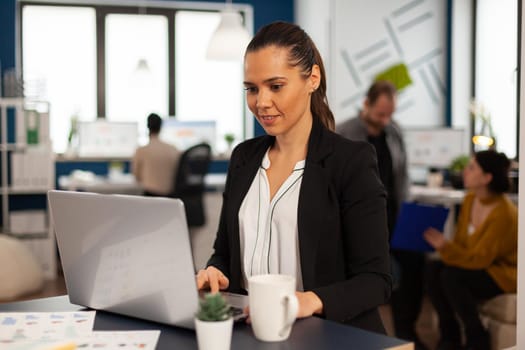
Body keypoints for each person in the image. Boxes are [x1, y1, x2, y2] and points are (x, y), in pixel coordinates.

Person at [195, 21, 391, 333]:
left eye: (275, 86)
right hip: (254, 331)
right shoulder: (244, 159)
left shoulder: (350, 161)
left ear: (312, 78)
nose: (261, 102)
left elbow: (376, 280)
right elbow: (224, 252)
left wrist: (309, 300)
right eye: (252, 89)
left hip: (329, 334)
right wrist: (214, 271)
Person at [336, 82, 426, 347]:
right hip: (363, 221)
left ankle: (407, 332)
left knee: (415, 265)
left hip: (394, 216)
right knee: (384, 275)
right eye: (380, 114)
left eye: (390, 114)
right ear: (366, 104)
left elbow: (402, 174)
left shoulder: (394, 131)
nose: (385, 120)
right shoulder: (345, 132)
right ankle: (373, 338)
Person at [424, 150, 517, 350]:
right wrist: (446, 249)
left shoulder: (504, 213)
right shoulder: (469, 200)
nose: (465, 171)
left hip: (501, 272)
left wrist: (445, 248)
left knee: (452, 276)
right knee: (433, 269)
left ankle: (477, 338)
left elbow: (481, 259)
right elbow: (461, 246)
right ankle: (450, 337)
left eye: (472, 167)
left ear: (487, 177)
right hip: (475, 264)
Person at [132, 113, 181, 197]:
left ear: (147, 127)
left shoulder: (141, 150)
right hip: (170, 198)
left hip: (150, 197)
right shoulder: (173, 149)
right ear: (161, 127)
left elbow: (137, 177)